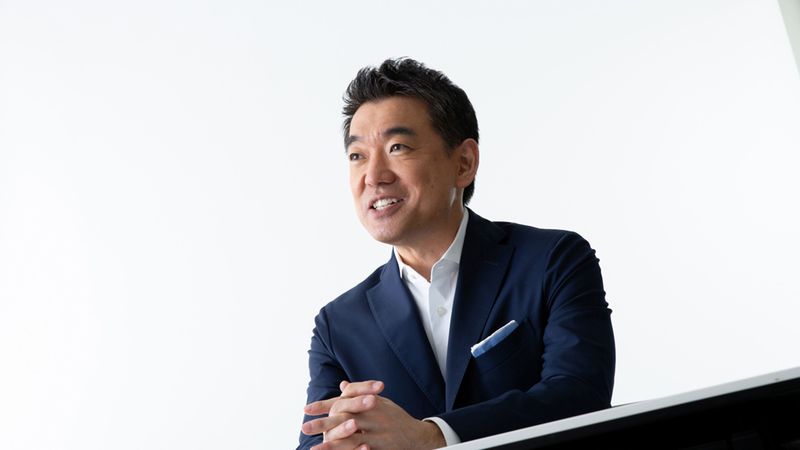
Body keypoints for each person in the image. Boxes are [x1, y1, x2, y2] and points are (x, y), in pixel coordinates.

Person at [298, 58, 615, 450]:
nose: (374, 176)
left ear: (464, 163)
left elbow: (581, 396)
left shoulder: (553, 261)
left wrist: (433, 436)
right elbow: (315, 442)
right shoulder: (338, 326)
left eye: (398, 147)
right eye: (357, 155)